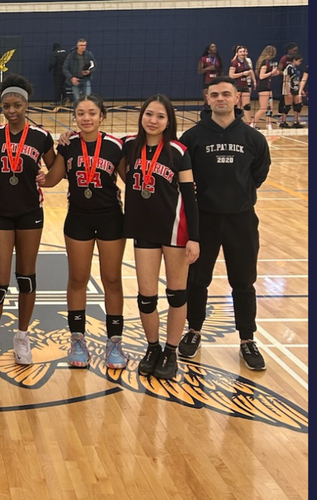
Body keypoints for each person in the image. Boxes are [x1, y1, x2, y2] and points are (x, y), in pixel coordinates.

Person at [179, 76, 271, 371]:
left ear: (237, 98)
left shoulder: (254, 139)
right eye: (215, 94)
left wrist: (238, 196)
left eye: (226, 94)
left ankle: (247, 340)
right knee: (197, 279)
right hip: (203, 219)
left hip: (241, 220)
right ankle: (193, 331)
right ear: (207, 99)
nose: (220, 99)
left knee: (243, 282)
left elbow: (259, 174)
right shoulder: (192, 138)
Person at [121, 94, 199, 380]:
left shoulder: (178, 151)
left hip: (175, 231)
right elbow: (95, 143)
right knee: (146, 297)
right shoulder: (129, 145)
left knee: (177, 295)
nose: (153, 120)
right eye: (149, 114)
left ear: (169, 122)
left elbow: (190, 198)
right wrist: (68, 136)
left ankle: (170, 351)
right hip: (143, 229)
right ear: (141, 116)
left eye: (160, 116)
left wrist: (195, 237)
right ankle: (152, 348)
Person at [45, 95, 127, 369]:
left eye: (92, 112)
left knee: (112, 279)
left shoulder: (116, 147)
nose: (86, 118)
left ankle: (115, 341)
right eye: (80, 113)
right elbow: (51, 179)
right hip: (78, 218)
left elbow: (133, 179)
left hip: (110, 218)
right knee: (78, 278)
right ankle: (77, 340)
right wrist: (33, 157)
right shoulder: (68, 146)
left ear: (102, 115)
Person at [0, 74, 54, 369]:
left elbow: (55, 166)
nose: (12, 110)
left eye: (17, 105)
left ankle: (22, 338)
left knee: (26, 278)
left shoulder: (41, 137)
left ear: (27, 104)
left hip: (29, 212)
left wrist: (47, 179)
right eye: (6, 105)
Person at [252, 45, 280, 129]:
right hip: (263, 87)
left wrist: (275, 73)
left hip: (268, 87)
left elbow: (267, 75)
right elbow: (261, 76)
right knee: (263, 108)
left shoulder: (268, 62)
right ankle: (252, 124)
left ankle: (269, 124)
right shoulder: (264, 62)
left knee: (270, 108)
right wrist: (271, 72)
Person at [62, 38, 95, 105]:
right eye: (81, 45)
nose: (83, 47)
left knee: (87, 98)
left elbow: (94, 65)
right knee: (77, 99)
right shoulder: (71, 55)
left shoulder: (89, 54)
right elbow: (64, 68)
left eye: (84, 45)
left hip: (85, 79)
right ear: (77, 46)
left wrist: (89, 71)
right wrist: (71, 78)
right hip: (75, 80)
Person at [274, 42, 299, 127]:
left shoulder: (295, 60)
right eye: (294, 50)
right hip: (286, 80)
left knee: (296, 103)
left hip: (293, 82)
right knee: (284, 99)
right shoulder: (284, 58)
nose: (296, 51)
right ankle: (281, 116)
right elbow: (279, 69)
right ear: (290, 50)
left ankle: (296, 121)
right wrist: (286, 74)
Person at [228, 46, 253, 124]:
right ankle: (234, 122)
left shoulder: (246, 62)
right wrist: (242, 73)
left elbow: (250, 72)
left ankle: (250, 123)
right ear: (237, 53)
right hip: (237, 85)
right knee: (236, 105)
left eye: (243, 51)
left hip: (245, 85)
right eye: (240, 52)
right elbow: (231, 75)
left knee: (247, 106)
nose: (242, 53)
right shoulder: (235, 62)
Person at [280, 54, 305, 128]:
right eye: (299, 61)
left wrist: (301, 89)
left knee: (298, 105)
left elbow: (297, 80)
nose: (300, 63)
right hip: (289, 89)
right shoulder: (289, 68)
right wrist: (288, 92)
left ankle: (296, 121)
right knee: (288, 106)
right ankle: (283, 121)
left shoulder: (295, 69)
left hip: (295, 89)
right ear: (294, 60)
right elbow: (286, 80)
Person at [198, 43, 223, 109]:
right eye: (212, 47)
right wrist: (208, 68)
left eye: (215, 46)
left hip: (216, 82)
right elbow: (199, 71)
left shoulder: (219, 59)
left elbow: (222, 70)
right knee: (207, 101)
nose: (214, 48)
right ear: (209, 50)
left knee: (215, 100)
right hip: (207, 82)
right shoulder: (204, 59)